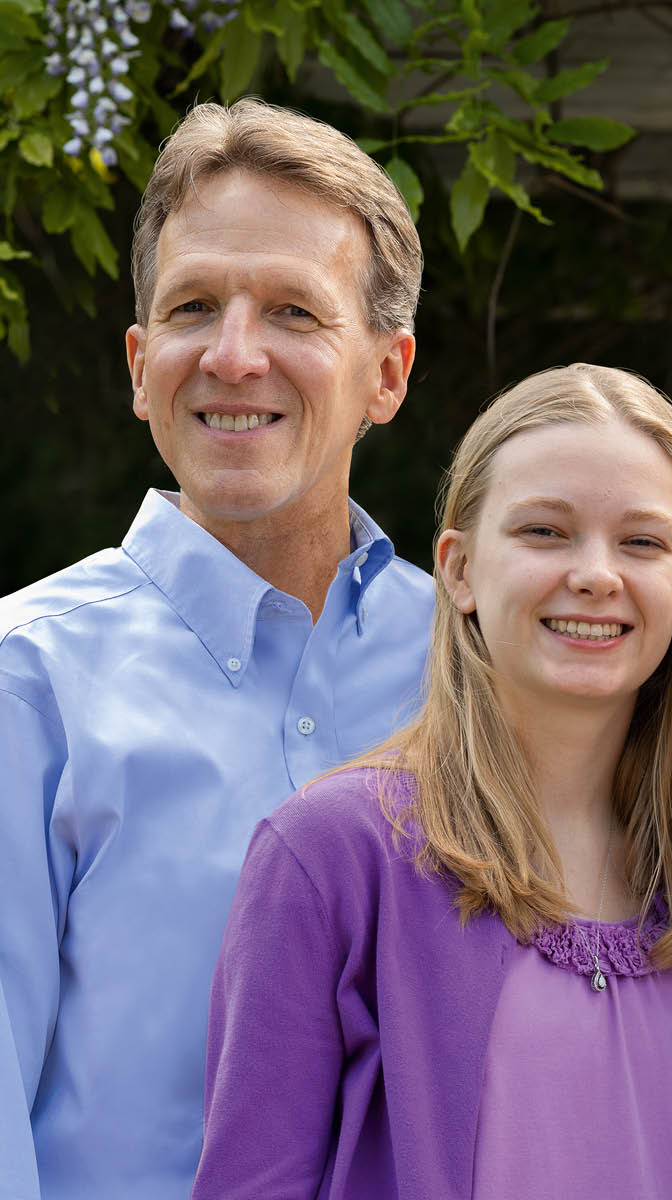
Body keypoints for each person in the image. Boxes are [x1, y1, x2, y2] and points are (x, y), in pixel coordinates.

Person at [190, 363, 672, 1199]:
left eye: (643, 542)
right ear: (459, 571)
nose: (596, 574)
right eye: (545, 532)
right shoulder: (332, 858)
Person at [0, 99, 433, 1200]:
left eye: (294, 311)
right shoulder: (25, 680)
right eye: (196, 307)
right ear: (142, 364)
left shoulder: (479, 665)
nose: (235, 357)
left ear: (387, 373)